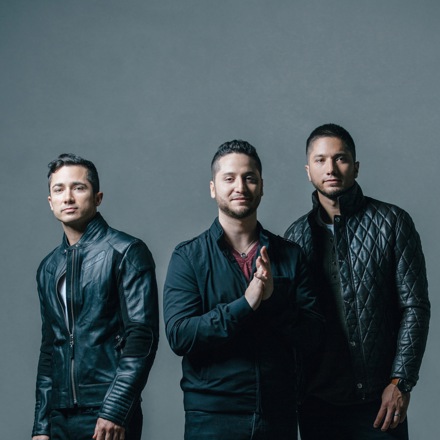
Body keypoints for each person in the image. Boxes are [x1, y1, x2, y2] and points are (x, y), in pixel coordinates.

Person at [163, 140, 324, 440]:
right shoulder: (188, 257)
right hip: (212, 417)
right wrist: (245, 304)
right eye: (229, 178)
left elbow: (313, 336)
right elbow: (180, 335)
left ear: (261, 186)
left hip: (278, 415)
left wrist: (272, 300)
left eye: (249, 178)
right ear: (213, 188)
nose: (240, 187)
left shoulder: (290, 255)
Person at [284, 123, 430, 439]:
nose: (331, 168)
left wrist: (401, 382)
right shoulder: (294, 237)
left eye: (340, 158)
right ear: (308, 171)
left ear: (356, 166)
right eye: (320, 160)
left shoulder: (392, 222)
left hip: (379, 401)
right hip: (316, 402)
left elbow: (415, 308)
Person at [32, 154, 159, 440]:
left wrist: (115, 409)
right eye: (59, 189)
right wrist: (41, 426)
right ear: (50, 201)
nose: (68, 197)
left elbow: (141, 337)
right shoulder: (48, 268)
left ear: (98, 197)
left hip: (107, 411)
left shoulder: (126, 252)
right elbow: (50, 349)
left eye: (78, 188)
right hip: (59, 416)